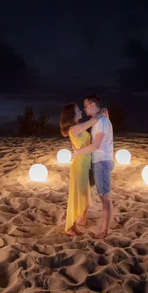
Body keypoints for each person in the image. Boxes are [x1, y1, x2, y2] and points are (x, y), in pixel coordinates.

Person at [59, 103, 108, 236]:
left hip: (85, 163)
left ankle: (74, 225)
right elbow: (93, 121)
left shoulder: (77, 127)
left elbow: (93, 125)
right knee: (78, 196)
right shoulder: (74, 128)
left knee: (82, 194)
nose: (80, 110)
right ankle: (70, 227)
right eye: (77, 110)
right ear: (72, 114)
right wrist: (101, 111)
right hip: (80, 164)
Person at [72, 94, 114, 238]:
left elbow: (97, 145)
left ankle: (104, 231)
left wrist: (78, 152)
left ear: (93, 105)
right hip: (96, 161)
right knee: (94, 193)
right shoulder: (98, 120)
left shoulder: (101, 121)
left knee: (104, 197)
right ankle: (82, 219)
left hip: (101, 162)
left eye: (85, 106)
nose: (84, 109)